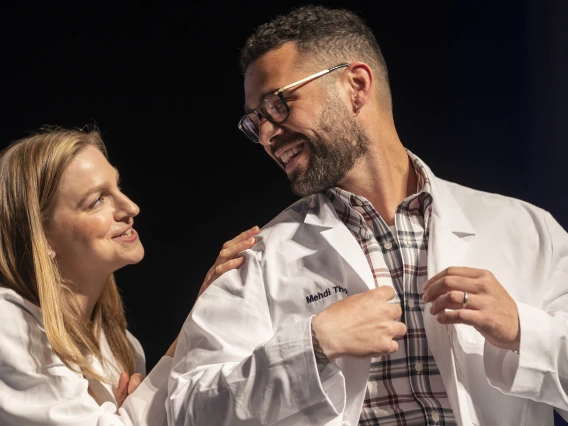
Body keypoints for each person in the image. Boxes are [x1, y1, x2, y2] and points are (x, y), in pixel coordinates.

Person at [167, 5, 568, 426]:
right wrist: (312, 347)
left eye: (278, 104)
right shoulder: (258, 258)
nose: (266, 135)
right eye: (255, 122)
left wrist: (522, 329)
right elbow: (189, 410)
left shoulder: (525, 229)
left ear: (356, 86)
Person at [0, 125, 259, 426]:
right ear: (42, 239)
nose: (130, 207)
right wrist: (193, 327)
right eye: (97, 200)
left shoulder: (124, 346)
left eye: (117, 188)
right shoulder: (9, 324)